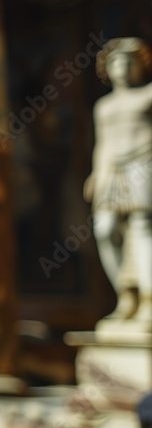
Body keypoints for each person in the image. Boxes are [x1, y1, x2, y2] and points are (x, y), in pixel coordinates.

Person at [86, 37, 152, 321]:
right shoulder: (103, 106)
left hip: (143, 164)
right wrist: (96, 174)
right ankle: (126, 294)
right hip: (111, 170)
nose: (123, 67)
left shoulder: (148, 94)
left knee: (142, 228)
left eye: (129, 62)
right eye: (116, 62)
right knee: (104, 230)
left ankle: (148, 300)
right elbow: (102, 143)